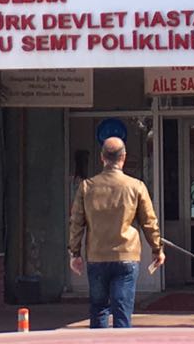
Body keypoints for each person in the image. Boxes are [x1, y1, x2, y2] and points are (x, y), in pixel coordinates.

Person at [68, 136, 165, 328]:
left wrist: (75, 253)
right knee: (122, 311)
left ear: (102, 157)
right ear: (124, 157)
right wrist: (157, 248)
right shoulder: (136, 186)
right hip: (126, 256)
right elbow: (149, 221)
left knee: (98, 309)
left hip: (96, 256)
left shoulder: (87, 187)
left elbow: (76, 223)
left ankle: (98, 340)